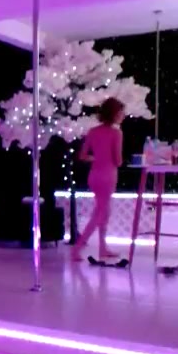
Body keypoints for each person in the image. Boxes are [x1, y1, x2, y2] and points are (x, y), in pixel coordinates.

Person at [72, 97, 125, 261]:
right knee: (99, 214)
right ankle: (77, 248)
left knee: (103, 212)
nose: (123, 115)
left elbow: (82, 155)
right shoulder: (116, 133)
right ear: (114, 114)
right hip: (108, 176)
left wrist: (96, 158)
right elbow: (118, 160)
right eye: (121, 112)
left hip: (94, 176)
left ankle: (103, 248)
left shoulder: (93, 132)